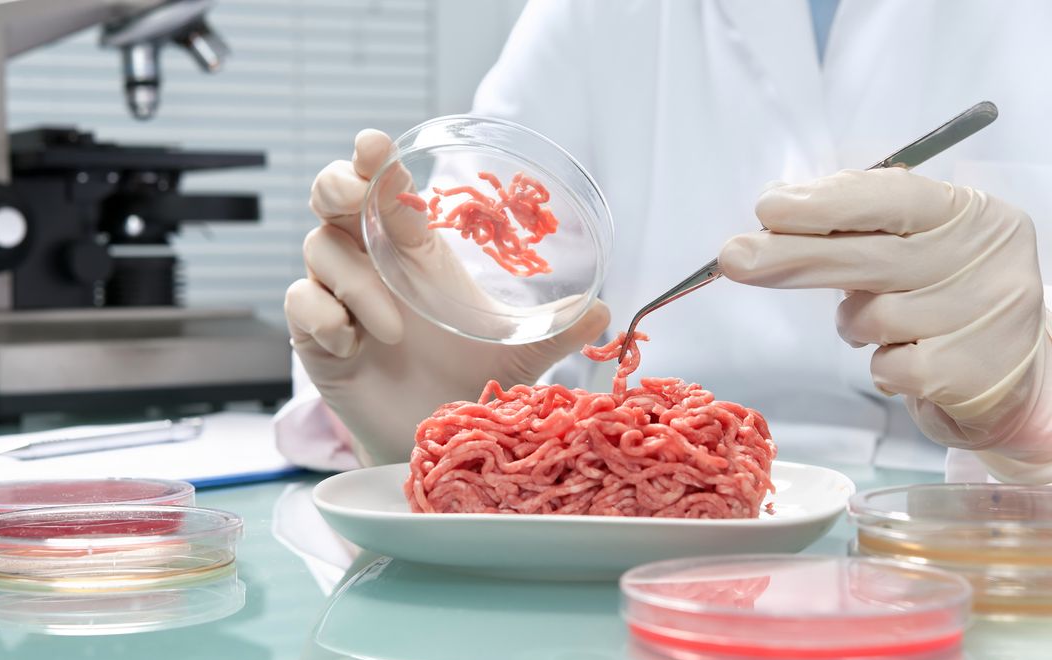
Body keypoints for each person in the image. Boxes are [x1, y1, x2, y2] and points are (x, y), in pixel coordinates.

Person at [274, 0, 1052, 484]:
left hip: (988, 526)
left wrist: (1036, 420)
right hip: (633, 530)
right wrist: (444, 401)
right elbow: (475, 271)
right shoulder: (593, 17)